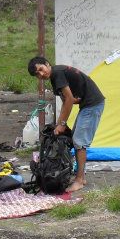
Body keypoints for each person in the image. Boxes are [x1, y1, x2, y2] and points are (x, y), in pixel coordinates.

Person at [27, 56, 105, 193]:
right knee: (75, 139)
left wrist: (62, 124)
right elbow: (67, 100)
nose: (41, 74)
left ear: (47, 64)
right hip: (87, 104)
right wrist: (59, 124)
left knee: (79, 142)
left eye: (41, 69)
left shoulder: (57, 74)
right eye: (37, 74)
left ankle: (79, 180)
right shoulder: (55, 75)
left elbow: (68, 99)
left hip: (93, 104)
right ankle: (80, 176)